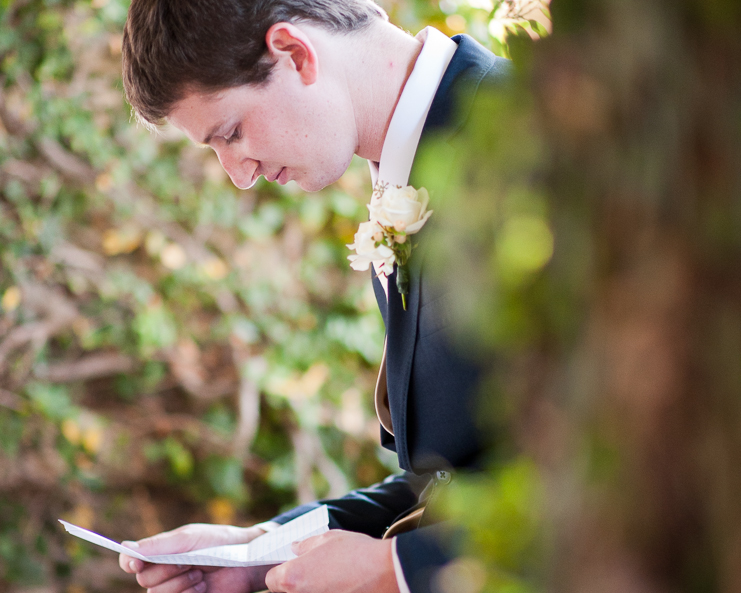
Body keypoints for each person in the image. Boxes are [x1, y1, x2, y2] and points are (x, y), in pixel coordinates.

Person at [117, 1, 510, 592]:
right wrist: (261, 550)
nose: (239, 174)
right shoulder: (401, 173)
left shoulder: (522, 144)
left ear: (295, 53)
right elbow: (462, 474)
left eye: (231, 132)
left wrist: (395, 571)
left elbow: (627, 461)